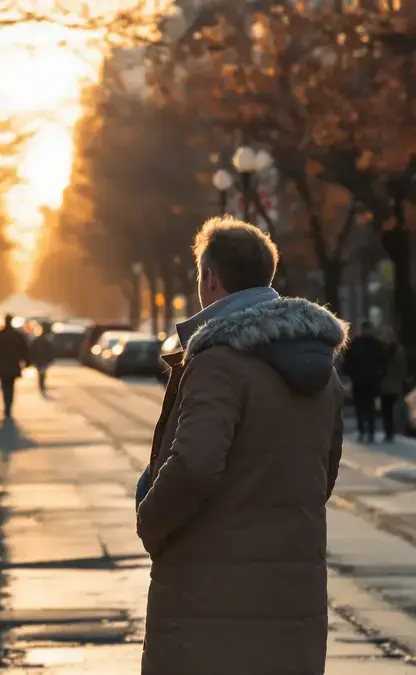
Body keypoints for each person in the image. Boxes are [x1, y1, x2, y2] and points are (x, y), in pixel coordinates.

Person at [137, 217, 346, 675]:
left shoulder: (219, 363)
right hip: (293, 592)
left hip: (208, 595)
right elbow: (324, 473)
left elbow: (193, 464)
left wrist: (150, 519)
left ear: (210, 278)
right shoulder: (321, 370)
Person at [341, 320, 388, 442]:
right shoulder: (372, 345)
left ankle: (367, 431)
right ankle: (365, 431)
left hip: (365, 380)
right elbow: (383, 362)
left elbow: (348, 363)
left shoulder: (360, 344)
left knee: (365, 406)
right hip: (365, 380)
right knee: (364, 406)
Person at [0, 314, 29, 418]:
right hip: (13, 365)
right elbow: (24, 349)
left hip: (3, 365)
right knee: (10, 386)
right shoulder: (17, 335)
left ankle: (7, 404)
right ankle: (8, 404)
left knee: (5, 385)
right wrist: (26, 361)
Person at [377, 326, 407, 442]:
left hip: (388, 384)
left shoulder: (386, 350)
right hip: (390, 384)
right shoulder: (397, 349)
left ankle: (389, 432)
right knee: (388, 409)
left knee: (387, 409)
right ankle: (389, 432)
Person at [29, 324, 55, 396]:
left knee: (41, 373)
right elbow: (50, 351)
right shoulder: (46, 341)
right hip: (42, 360)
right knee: (42, 373)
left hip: (39, 360)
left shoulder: (37, 341)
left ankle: (41, 385)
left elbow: (32, 350)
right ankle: (41, 385)